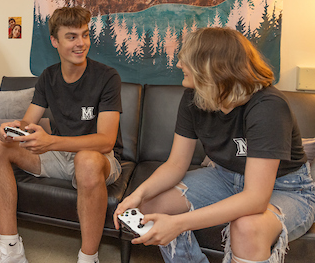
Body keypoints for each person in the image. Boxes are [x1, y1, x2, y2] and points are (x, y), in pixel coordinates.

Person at [114, 27, 315, 263]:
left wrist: (177, 224)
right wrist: (138, 195)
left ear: (211, 67)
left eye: (185, 58)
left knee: (247, 227)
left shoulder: (268, 106)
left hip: (284, 189)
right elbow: (176, 164)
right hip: (223, 176)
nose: (179, 64)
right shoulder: (194, 97)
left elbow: (255, 198)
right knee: (152, 206)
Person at [0, 6, 124, 263]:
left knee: (87, 160)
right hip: (58, 156)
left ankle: (88, 258)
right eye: (71, 37)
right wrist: (12, 129)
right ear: (55, 42)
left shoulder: (107, 77)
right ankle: (11, 247)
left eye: (84, 35)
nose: (81, 43)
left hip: (98, 159)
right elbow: (28, 122)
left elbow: (106, 140)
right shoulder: (48, 77)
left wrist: (50, 142)